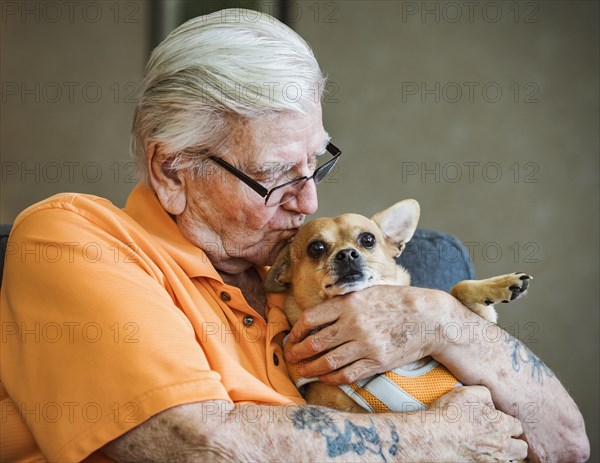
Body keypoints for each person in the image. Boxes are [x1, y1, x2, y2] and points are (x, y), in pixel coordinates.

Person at [0, 9, 589, 463]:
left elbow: (566, 442)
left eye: (316, 164)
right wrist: (434, 441)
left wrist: (440, 318)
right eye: (273, 175)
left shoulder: (311, 275)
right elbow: (198, 444)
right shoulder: (76, 240)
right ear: (172, 171)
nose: (308, 201)